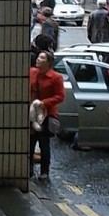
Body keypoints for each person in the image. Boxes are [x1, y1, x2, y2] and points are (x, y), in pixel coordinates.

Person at [29, 50, 65, 182]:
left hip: (47, 114)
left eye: (42, 58)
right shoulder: (32, 72)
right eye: (38, 57)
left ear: (49, 62)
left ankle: (44, 171)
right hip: (32, 113)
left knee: (44, 144)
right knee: (30, 143)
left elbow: (60, 96)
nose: (38, 59)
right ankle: (29, 169)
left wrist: (44, 103)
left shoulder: (56, 77)